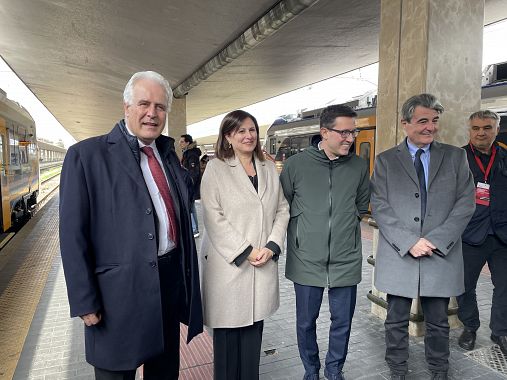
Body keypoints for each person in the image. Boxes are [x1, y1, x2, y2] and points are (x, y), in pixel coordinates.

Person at [59, 71, 203, 380]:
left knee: (164, 373)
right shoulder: (86, 156)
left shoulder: (167, 156)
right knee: (117, 374)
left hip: (167, 286)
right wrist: (85, 301)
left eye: (160, 106)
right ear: (126, 107)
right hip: (115, 297)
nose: (152, 113)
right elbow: (72, 236)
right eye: (144, 104)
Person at [370, 93, 476, 380]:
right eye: (422, 121)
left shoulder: (455, 157)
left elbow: (466, 203)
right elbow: (380, 206)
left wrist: (437, 240)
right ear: (405, 123)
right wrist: (409, 242)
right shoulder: (386, 161)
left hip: (440, 253)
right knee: (395, 321)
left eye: (435, 121)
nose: (430, 127)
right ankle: (398, 370)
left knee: (439, 321)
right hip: (400, 253)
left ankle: (439, 371)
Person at [280, 104, 371, 380]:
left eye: (353, 132)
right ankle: (311, 370)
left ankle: (334, 371)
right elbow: (283, 206)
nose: (350, 138)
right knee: (306, 323)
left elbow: (361, 205)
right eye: (343, 132)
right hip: (305, 259)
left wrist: (344, 233)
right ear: (324, 132)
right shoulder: (296, 165)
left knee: (342, 322)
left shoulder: (358, 165)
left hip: (345, 259)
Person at [200, 110, 289, 380]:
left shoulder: (267, 168)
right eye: (240, 131)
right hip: (230, 268)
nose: (248, 136)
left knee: (253, 337)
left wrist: (272, 245)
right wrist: (246, 251)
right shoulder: (216, 169)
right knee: (228, 341)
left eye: (252, 130)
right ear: (228, 136)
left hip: (262, 263)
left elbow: (282, 209)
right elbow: (213, 216)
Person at [456, 110, 507, 355]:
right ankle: (470, 326)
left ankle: (500, 331)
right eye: (475, 128)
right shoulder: (458, 158)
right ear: (470, 130)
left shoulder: (506, 156)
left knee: (505, 286)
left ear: (496, 129)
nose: (481, 132)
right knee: (465, 286)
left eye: (487, 127)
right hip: (469, 234)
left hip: (502, 235)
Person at [179, 133, 202, 238]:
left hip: (190, 186)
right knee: (190, 207)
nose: (180, 143)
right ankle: (193, 229)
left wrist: (188, 184)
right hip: (188, 185)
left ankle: (194, 229)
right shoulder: (186, 153)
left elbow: (194, 172)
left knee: (190, 207)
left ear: (188, 142)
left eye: (182, 141)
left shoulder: (192, 154)